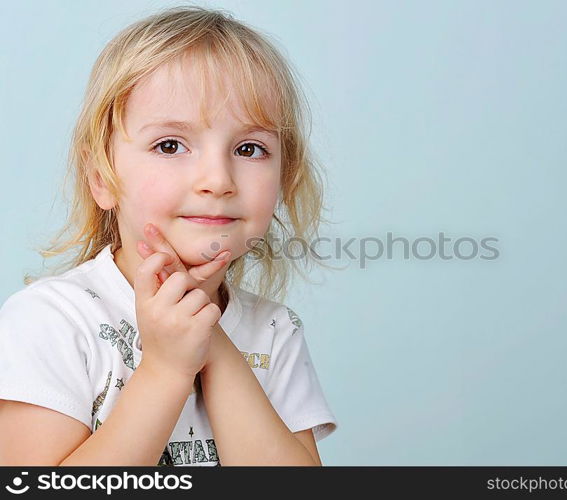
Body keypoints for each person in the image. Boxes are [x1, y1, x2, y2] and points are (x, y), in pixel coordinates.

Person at [0, 5, 338, 466]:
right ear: (101, 176)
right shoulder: (52, 322)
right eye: (170, 145)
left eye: (248, 148)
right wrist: (166, 369)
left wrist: (211, 341)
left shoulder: (274, 332)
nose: (217, 179)